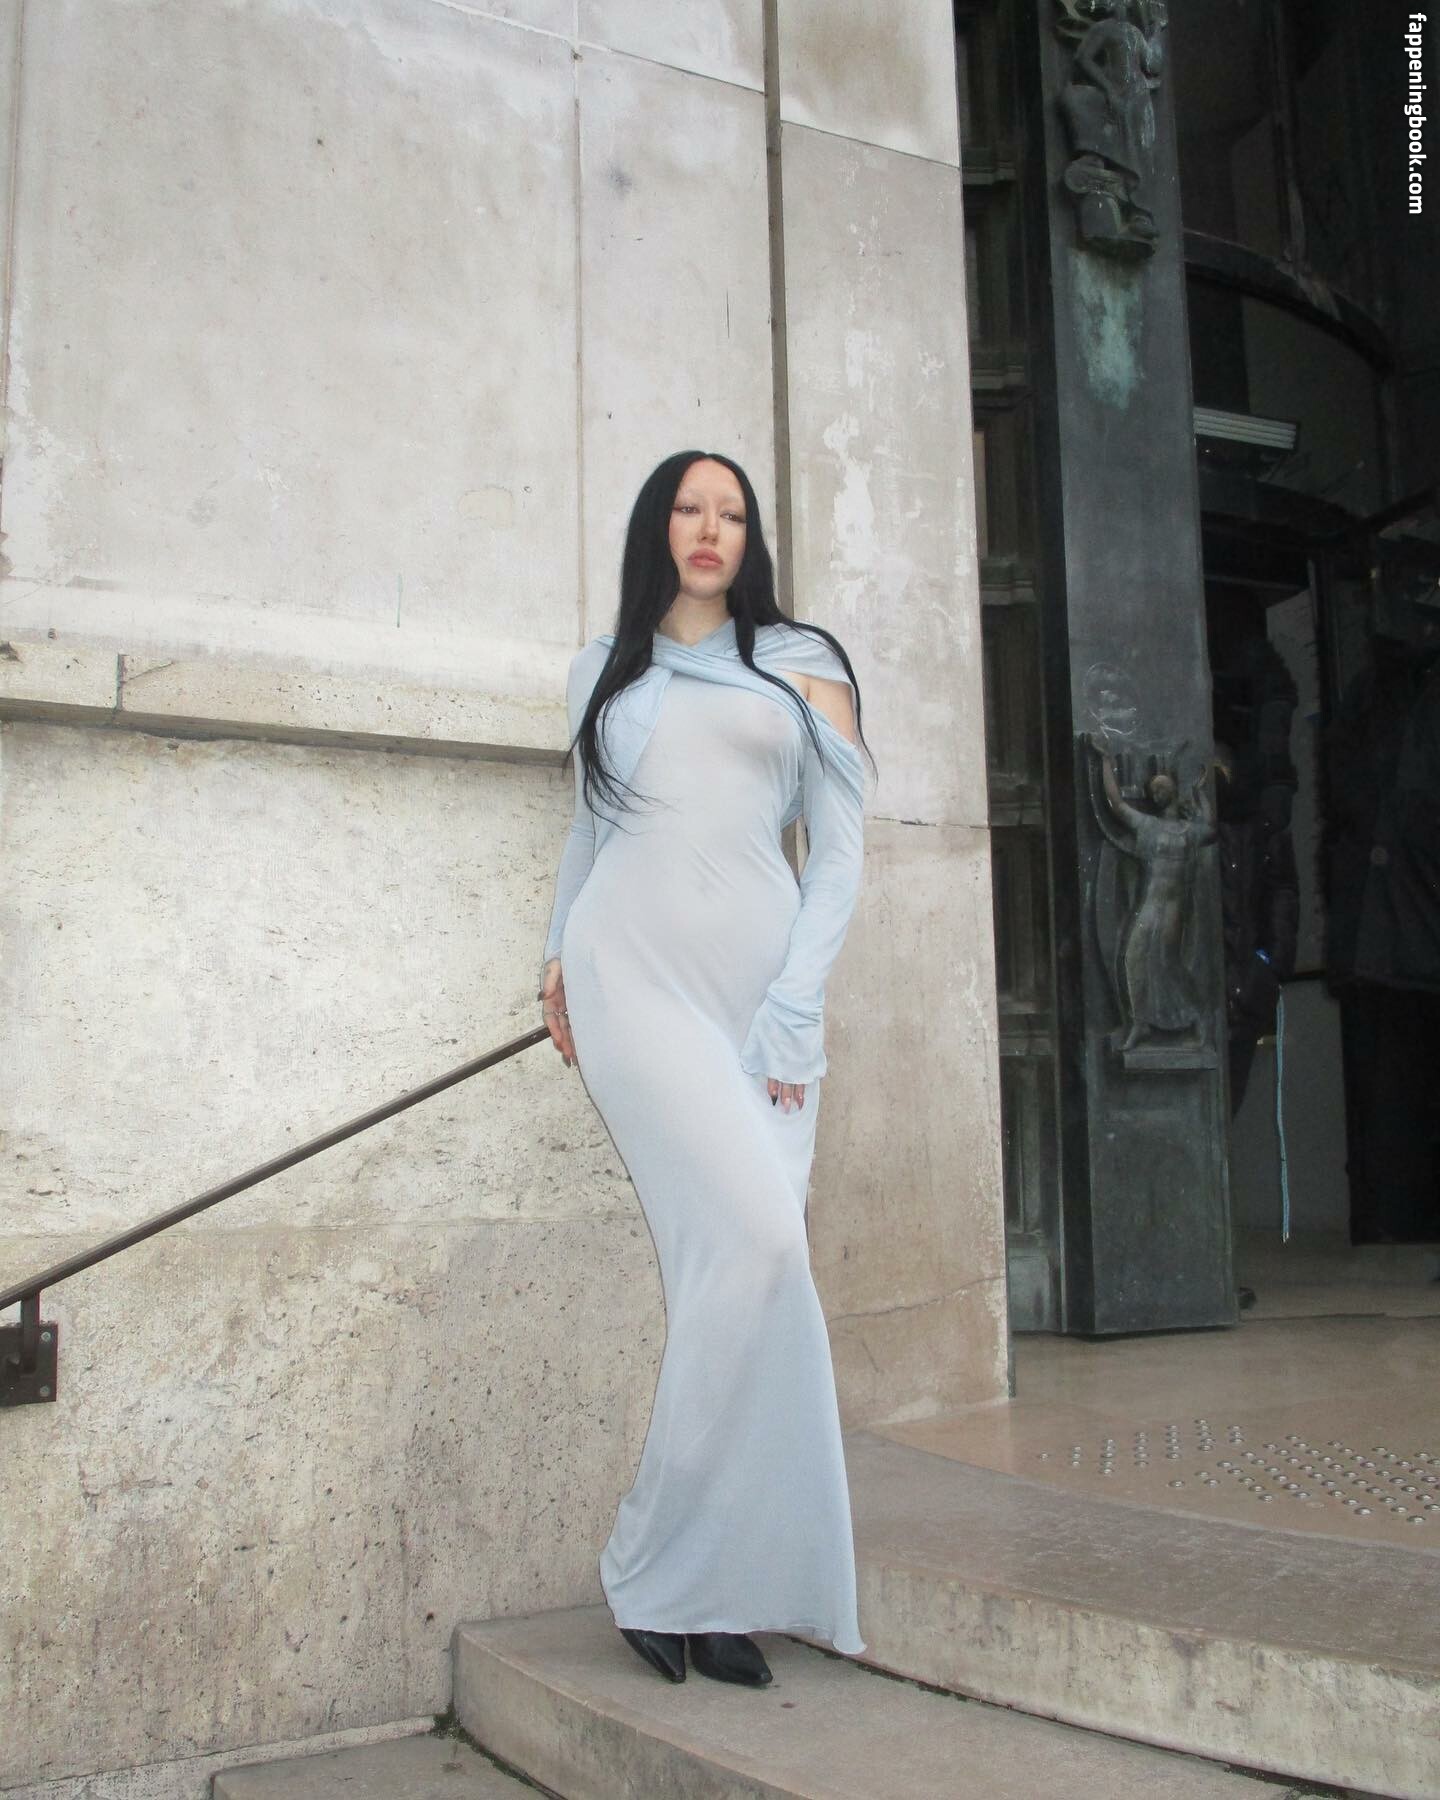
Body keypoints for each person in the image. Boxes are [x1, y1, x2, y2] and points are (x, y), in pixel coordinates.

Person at [537, 450, 873, 1688]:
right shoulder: (603, 668)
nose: (709, 528)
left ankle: (712, 1583)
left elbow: (839, 855)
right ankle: (653, 1563)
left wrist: (796, 1007)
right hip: (631, 984)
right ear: (657, 527)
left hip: (760, 1002)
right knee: (754, 1246)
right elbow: (589, 831)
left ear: (751, 538)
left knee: (754, 1276)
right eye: (689, 508)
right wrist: (555, 958)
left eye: (731, 513)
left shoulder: (802, 663)